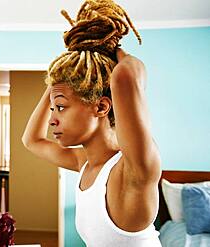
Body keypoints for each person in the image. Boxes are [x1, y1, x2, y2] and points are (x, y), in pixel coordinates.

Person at [21, 0, 162, 246]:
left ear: (100, 107)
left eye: (61, 108)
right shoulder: (85, 164)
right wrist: (57, 82)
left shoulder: (133, 171)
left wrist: (113, 48)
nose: (52, 119)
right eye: (54, 109)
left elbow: (126, 75)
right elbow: (31, 140)